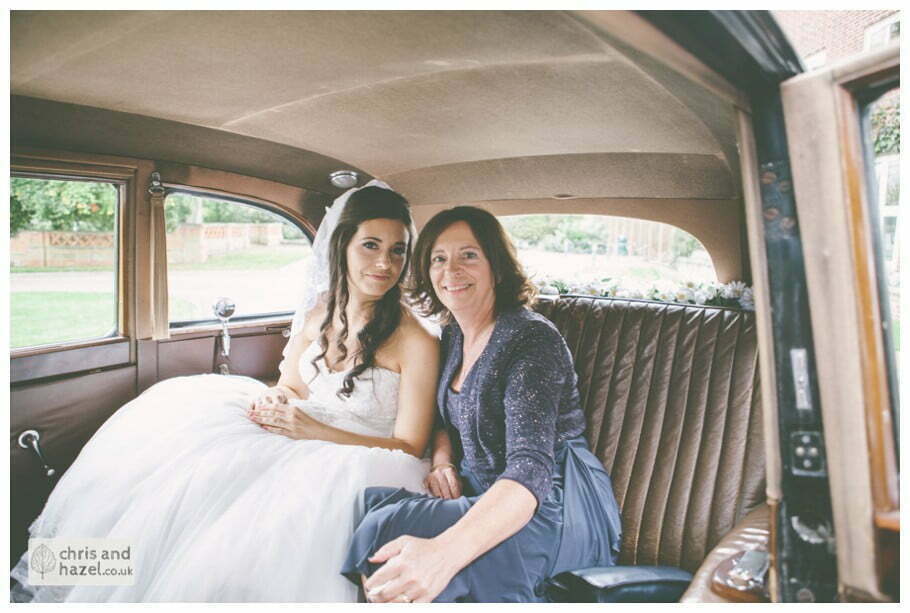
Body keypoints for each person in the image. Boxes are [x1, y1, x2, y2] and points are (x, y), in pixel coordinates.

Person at [10, 181, 439, 602]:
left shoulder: (415, 341)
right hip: (299, 430)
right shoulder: (322, 308)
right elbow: (291, 383)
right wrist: (277, 398)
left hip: (359, 459)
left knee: (245, 534)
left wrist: (312, 430)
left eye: (397, 250)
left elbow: (408, 444)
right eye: (371, 245)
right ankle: (83, 576)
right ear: (343, 244)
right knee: (179, 479)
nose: (385, 263)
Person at [341, 206, 622, 603]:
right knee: (376, 518)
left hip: (549, 501)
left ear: (497, 266)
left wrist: (443, 554)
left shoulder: (531, 341)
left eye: (468, 255)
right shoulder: (452, 335)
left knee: (405, 541)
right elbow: (444, 420)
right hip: (483, 487)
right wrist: (442, 461)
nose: (451, 270)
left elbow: (530, 468)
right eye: (439, 259)